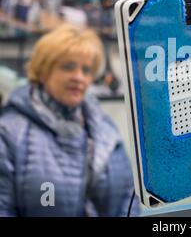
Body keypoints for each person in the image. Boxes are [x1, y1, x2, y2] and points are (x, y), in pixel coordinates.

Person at [0, 24, 139, 216]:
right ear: (43, 71)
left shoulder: (105, 128)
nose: (79, 77)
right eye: (68, 67)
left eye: (86, 70)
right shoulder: (9, 132)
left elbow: (127, 200)